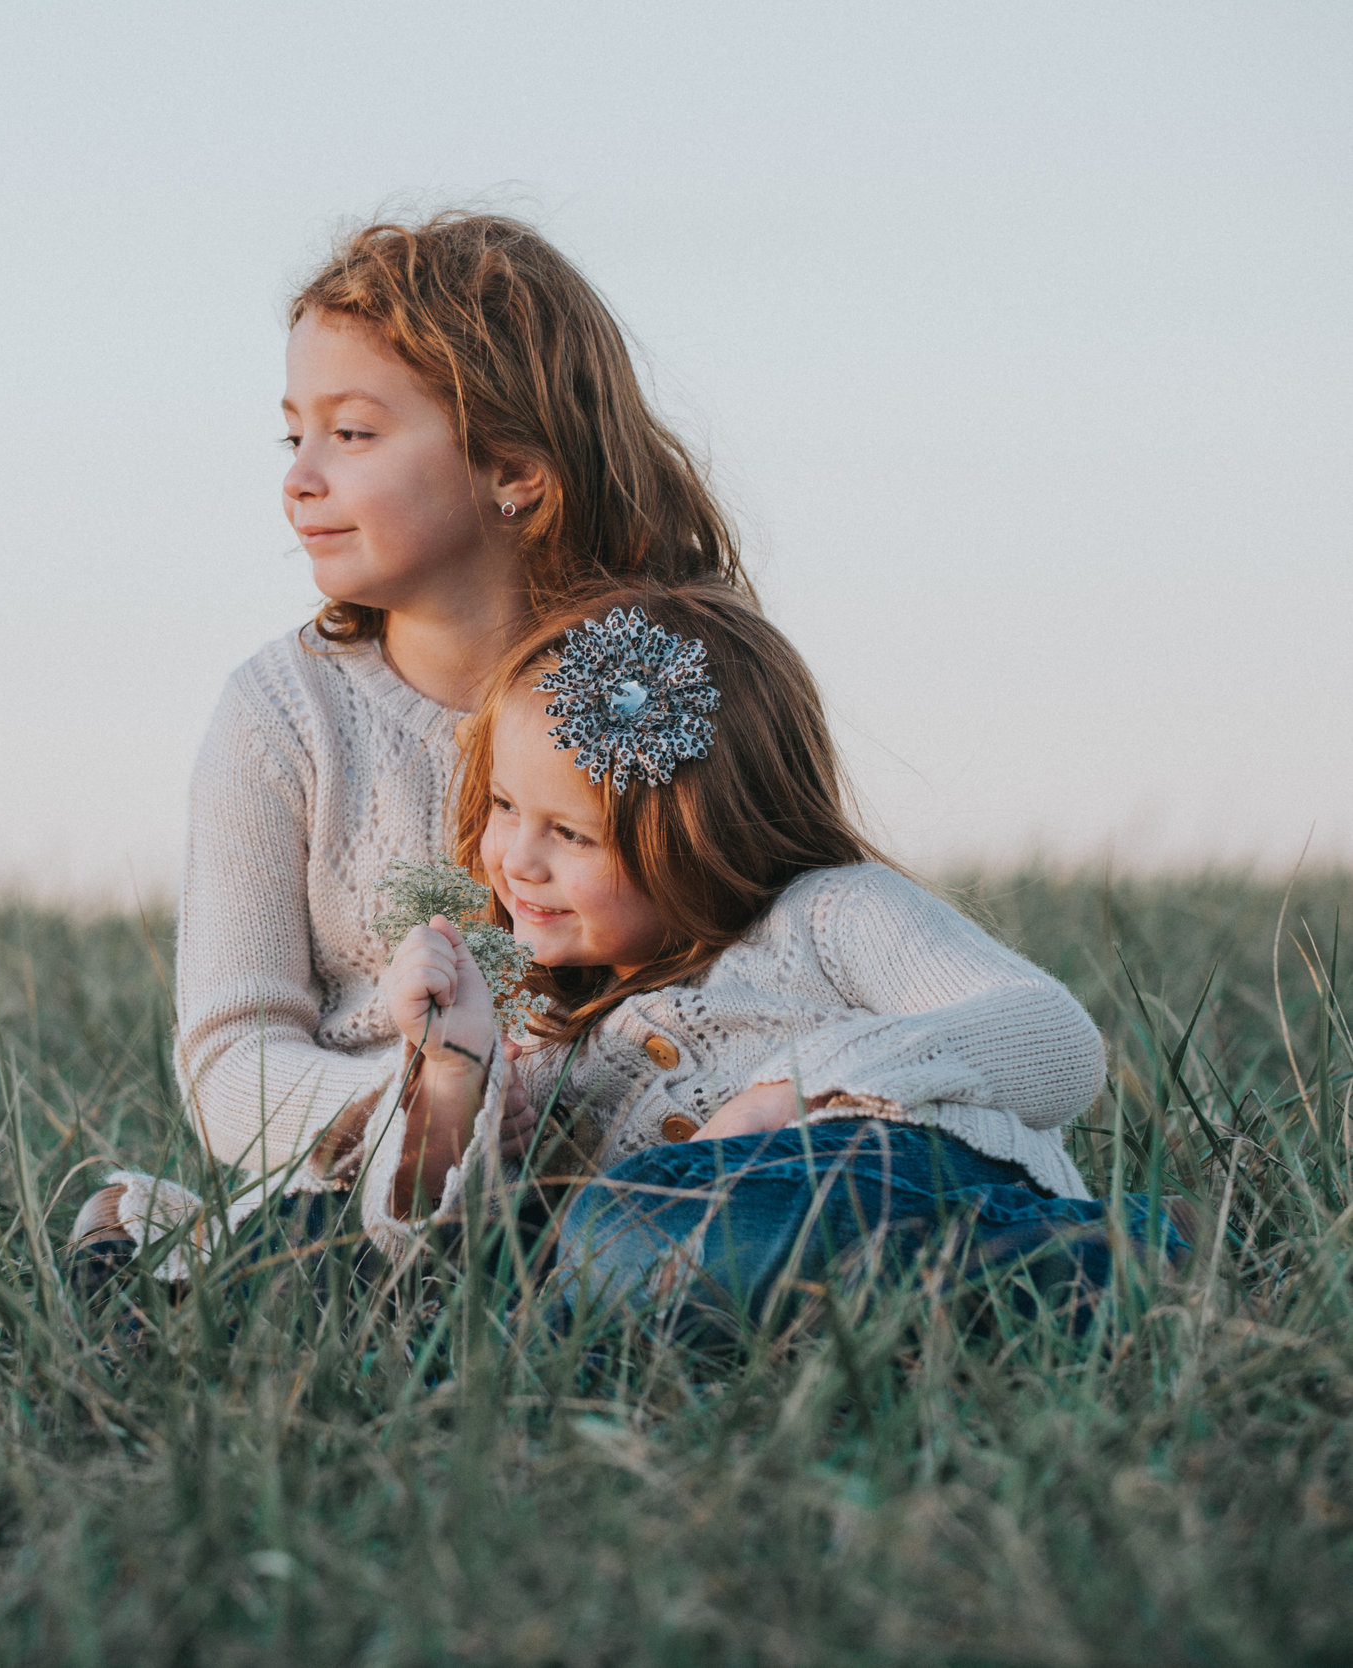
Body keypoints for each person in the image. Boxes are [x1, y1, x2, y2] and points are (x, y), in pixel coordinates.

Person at [70, 211, 743, 1277]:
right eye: (294, 435)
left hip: (650, 1172)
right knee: (317, 1263)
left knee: (674, 1259)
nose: (299, 477)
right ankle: (174, 1252)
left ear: (512, 468)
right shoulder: (277, 715)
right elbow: (232, 1064)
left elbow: (786, 952)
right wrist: (435, 1103)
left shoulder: (665, 687)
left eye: (353, 434)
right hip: (369, 1182)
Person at [361, 579, 1191, 1326]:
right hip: (692, 1245)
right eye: (506, 805)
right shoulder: (545, 1030)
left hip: (902, 1174)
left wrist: (784, 1096)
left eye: (573, 833)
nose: (516, 859)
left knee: (644, 1246)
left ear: (705, 834)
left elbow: (1056, 1039)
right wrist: (452, 1079)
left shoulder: (830, 914)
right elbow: (438, 1270)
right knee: (616, 1256)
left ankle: (1136, 1254)